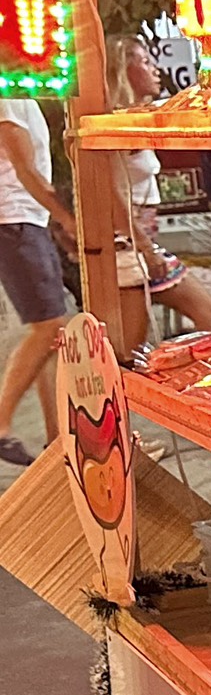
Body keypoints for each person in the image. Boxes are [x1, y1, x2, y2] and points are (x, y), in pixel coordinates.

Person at [109, 37, 211, 339]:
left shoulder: (136, 118)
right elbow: (111, 194)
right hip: (127, 246)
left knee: (209, 315)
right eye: (145, 62)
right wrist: (146, 249)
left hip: (139, 242)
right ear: (124, 69)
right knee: (130, 353)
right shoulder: (116, 124)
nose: (155, 69)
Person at [0, 95, 73, 465]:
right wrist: (65, 217)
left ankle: (57, 438)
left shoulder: (21, 94)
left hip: (25, 221)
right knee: (49, 328)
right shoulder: (8, 95)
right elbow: (25, 168)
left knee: (52, 334)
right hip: (14, 221)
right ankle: (1, 425)